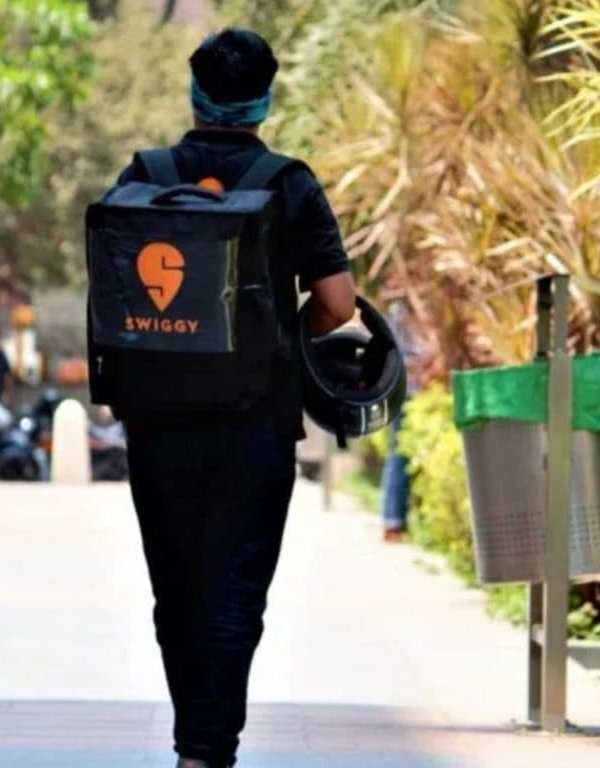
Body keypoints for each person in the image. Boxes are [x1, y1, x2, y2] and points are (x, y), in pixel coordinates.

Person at [114, 29, 357, 768]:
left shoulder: (145, 174)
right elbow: (338, 304)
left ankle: (195, 742)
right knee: (235, 595)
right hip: (256, 425)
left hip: (157, 425)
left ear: (195, 96)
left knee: (176, 593)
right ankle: (207, 751)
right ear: (265, 100)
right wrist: (290, 333)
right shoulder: (289, 183)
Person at [381, 301, 419, 542]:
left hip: (406, 394)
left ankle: (396, 520)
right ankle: (393, 521)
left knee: (400, 455)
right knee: (400, 455)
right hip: (408, 394)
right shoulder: (401, 314)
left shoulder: (403, 313)